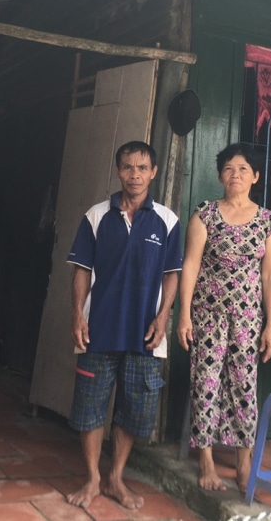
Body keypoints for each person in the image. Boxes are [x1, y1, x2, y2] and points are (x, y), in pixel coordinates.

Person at [66, 140, 182, 510]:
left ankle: (115, 477)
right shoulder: (96, 216)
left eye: (142, 167)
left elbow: (172, 275)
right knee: (90, 407)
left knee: (134, 410)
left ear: (154, 172)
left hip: (145, 333)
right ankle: (92, 478)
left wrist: (163, 318)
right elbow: (81, 270)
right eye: (128, 167)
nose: (135, 174)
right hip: (98, 329)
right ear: (118, 171)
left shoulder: (167, 221)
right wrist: (77, 315)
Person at [177, 143, 271, 493]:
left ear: (256, 176)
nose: (235, 175)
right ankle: (205, 459)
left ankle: (243, 460)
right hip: (208, 314)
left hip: (248, 318)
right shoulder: (205, 214)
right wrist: (184, 315)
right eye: (228, 169)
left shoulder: (268, 221)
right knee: (205, 380)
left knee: (244, 384)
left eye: (243, 169)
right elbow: (190, 265)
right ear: (220, 176)